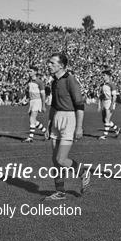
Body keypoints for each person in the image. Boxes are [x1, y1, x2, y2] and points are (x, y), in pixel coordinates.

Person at [44, 53, 90, 200]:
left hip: (69, 120)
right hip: (56, 119)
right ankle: (60, 191)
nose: (49, 65)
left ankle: (83, 172)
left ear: (61, 65)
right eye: (49, 62)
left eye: (52, 63)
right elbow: (54, 105)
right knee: (54, 159)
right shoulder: (54, 82)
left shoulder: (71, 81)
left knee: (61, 159)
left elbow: (80, 105)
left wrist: (79, 127)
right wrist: (49, 124)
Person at [22, 66, 47, 143]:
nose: (29, 73)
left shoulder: (39, 82)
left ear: (35, 72)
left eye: (30, 71)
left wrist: (43, 106)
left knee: (32, 119)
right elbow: (28, 93)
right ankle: (46, 132)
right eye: (29, 71)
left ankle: (30, 138)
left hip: (37, 101)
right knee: (33, 120)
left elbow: (43, 95)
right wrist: (24, 100)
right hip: (32, 101)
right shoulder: (29, 81)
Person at [98, 69, 121, 140]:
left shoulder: (112, 85)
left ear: (108, 76)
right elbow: (101, 96)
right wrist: (99, 105)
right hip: (104, 102)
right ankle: (116, 128)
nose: (103, 77)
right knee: (104, 120)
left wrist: (112, 105)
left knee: (107, 119)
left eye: (104, 75)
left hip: (110, 102)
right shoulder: (102, 85)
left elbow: (114, 96)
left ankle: (104, 135)